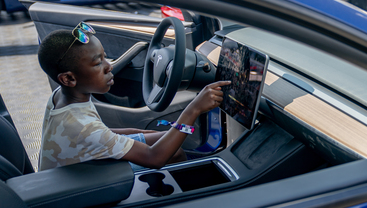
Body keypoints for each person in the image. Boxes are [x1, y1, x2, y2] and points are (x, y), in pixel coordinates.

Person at [37, 25, 230, 171]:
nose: (109, 66)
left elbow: (97, 133)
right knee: (172, 153)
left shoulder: (60, 98)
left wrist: (138, 133)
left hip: (81, 167)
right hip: (80, 187)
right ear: (69, 78)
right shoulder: (83, 128)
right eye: (98, 63)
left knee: (167, 140)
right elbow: (155, 158)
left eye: (105, 57)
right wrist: (193, 109)